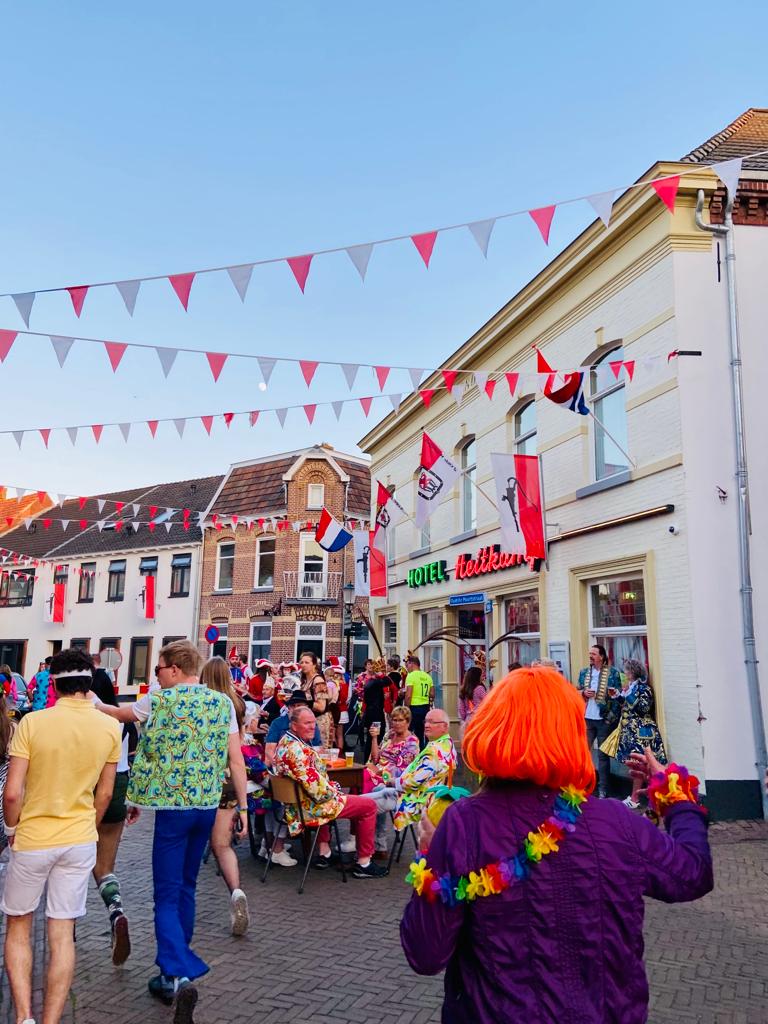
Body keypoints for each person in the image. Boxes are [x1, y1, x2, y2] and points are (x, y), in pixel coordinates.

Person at [400, 666, 713, 1024]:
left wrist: (427, 856)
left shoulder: (465, 823)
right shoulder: (617, 822)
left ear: (492, 728)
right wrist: (676, 796)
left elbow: (426, 953)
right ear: (572, 734)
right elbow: (693, 872)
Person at [94, 640, 247, 1021]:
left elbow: (119, 713)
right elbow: (236, 758)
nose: (156, 675)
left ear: (175, 669)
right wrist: (244, 805)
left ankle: (177, 975)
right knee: (187, 886)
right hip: (207, 806)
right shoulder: (222, 703)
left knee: (164, 894)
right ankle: (171, 971)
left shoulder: (159, 700)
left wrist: (91, 703)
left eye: (159, 668)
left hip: (173, 811)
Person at [1, 648, 121, 1024]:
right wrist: (90, 822)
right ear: (89, 683)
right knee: (62, 931)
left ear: (52, 682)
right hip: (79, 838)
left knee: (19, 923)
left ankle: (24, 1017)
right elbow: (104, 794)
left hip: (34, 837)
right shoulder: (109, 728)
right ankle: (51, 1020)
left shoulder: (33, 723)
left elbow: (12, 792)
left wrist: (10, 829)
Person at [273, 705, 387, 878]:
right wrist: (335, 789)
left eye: (313, 723)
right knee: (369, 805)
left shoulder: (284, 743)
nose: (312, 727)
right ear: (294, 726)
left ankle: (324, 852)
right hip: (310, 808)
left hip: (298, 805)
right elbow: (318, 792)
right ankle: (364, 862)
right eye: (307, 723)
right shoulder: (297, 750)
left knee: (355, 798)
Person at [89, 654, 136, 965]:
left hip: (88, 791)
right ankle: (116, 909)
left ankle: (69, 926)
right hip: (117, 789)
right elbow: (129, 760)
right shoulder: (118, 721)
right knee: (105, 865)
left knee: (74, 866)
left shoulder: (86, 720)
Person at [200, 657, 250, 937]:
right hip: (228, 780)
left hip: (204, 779)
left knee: (193, 842)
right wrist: (244, 807)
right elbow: (238, 748)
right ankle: (236, 891)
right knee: (222, 845)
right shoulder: (236, 703)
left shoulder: (203, 704)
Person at [605, 659, 667, 810]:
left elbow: (643, 709)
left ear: (632, 672)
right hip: (630, 732)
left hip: (642, 733)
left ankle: (636, 798)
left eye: (626, 671)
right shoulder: (631, 688)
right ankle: (644, 796)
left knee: (641, 766)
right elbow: (627, 704)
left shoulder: (644, 689)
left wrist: (627, 696)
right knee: (635, 765)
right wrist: (617, 696)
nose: (624, 674)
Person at [366, 707, 419, 856]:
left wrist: (379, 773)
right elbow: (375, 759)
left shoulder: (412, 742)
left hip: (395, 784)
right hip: (378, 775)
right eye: (394, 720)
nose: (396, 723)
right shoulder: (389, 735)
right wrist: (375, 738)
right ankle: (358, 839)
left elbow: (402, 772)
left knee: (376, 792)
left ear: (407, 722)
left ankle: (379, 844)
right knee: (359, 786)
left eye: (400, 720)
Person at [576, 644, 622, 798]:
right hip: (587, 718)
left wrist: (610, 719)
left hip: (603, 719)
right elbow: (577, 691)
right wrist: (583, 692)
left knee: (602, 756)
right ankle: (582, 783)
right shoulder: (584, 673)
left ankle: (603, 789)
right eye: (590, 653)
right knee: (582, 752)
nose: (591, 656)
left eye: (594, 654)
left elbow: (618, 696)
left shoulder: (613, 673)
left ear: (601, 656)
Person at [298, 652, 333, 748]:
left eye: (307, 662)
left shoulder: (318, 681)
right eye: (302, 662)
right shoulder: (305, 681)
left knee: (320, 752)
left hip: (320, 721)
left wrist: (303, 702)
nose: (303, 665)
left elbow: (322, 707)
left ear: (314, 665)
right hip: (309, 720)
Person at [361, 658, 389, 761]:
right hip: (376, 714)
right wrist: (382, 673)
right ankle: (372, 759)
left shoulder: (369, 682)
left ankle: (367, 759)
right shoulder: (375, 682)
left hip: (369, 713)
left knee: (370, 737)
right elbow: (387, 681)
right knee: (376, 737)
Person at [404, 654, 434, 748]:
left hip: (414, 707)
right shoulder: (427, 676)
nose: (407, 667)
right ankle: (424, 753)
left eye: (407, 665)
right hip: (425, 707)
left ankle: (413, 754)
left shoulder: (411, 676)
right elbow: (432, 694)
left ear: (412, 664)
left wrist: (406, 708)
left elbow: (408, 695)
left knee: (410, 733)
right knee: (422, 732)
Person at [457, 666, 487, 737]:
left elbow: (461, 709)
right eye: (481, 675)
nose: (482, 677)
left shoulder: (463, 691)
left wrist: (466, 718)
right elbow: (487, 702)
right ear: (477, 677)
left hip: (468, 720)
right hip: (480, 719)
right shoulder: (480, 689)